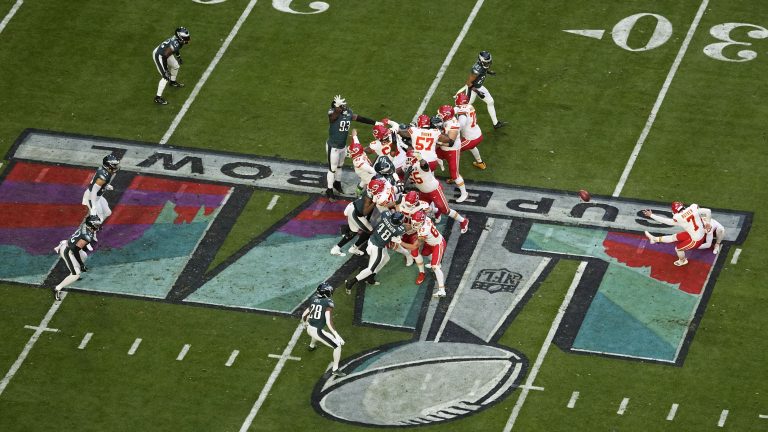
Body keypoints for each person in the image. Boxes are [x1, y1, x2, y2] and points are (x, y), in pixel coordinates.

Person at [405, 149, 469, 233]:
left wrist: (420, 159)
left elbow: (425, 166)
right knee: (421, 209)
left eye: (410, 158)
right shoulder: (406, 167)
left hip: (434, 190)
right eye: (408, 158)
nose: (408, 160)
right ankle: (437, 213)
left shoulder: (421, 164)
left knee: (446, 211)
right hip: (423, 192)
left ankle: (463, 221)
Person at [325, 95, 376, 201]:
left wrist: (375, 122)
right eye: (341, 105)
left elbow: (359, 118)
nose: (344, 106)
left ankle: (337, 184)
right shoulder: (332, 113)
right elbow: (332, 118)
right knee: (332, 169)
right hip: (333, 146)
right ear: (336, 106)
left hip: (343, 146)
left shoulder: (348, 112)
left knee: (340, 166)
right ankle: (329, 190)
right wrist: (337, 109)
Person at [345, 211, 408, 294]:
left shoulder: (386, 215)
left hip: (372, 239)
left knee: (386, 258)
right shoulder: (399, 229)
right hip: (377, 247)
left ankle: (370, 278)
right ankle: (351, 282)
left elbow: (383, 215)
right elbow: (402, 231)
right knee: (370, 269)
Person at [643, 201, 713, 266]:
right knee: (674, 237)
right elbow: (708, 211)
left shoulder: (678, 217)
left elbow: (666, 221)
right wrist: (708, 223)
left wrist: (651, 215)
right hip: (696, 233)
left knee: (678, 248)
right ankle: (654, 239)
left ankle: (682, 261)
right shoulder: (693, 207)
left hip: (697, 239)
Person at [301, 282, 346, 377]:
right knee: (337, 346)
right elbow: (329, 322)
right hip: (317, 331)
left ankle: (312, 346)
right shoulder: (328, 303)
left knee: (316, 334)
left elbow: (304, 314)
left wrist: (304, 323)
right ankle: (335, 369)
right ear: (325, 293)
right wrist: (337, 336)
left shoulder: (313, 299)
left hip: (309, 328)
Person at [53, 215, 101, 301]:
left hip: (71, 246)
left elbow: (78, 244)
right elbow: (75, 251)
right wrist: (82, 265)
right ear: (91, 225)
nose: (98, 225)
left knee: (84, 256)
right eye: (96, 224)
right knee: (76, 274)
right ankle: (57, 288)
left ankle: (74, 270)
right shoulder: (87, 236)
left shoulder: (85, 227)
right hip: (68, 251)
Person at [456, 50, 507, 129]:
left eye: (489, 62)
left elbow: (484, 69)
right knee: (464, 107)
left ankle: (495, 123)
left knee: (490, 102)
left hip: (479, 87)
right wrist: (478, 92)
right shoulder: (476, 70)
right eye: (486, 62)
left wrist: (489, 72)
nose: (488, 64)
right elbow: (469, 83)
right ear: (481, 61)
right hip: (472, 89)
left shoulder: (484, 65)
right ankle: (454, 124)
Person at [407, 210, 448, 297]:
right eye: (414, 222)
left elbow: (415, 246)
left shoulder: (423, 231)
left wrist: (400, 242)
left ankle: (442, 290)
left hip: (438, 244)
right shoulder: (427, 219)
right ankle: (435, 261)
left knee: (435, 267)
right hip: (430, 242)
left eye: (416, 223)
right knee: (425, 253)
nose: (414, 224)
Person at [435, 104, 468, 202]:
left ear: (446, 115)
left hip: (451, 149)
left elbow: (449, 142)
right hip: (442, 147)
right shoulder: (446, 119)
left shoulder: (454, 125)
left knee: (454, 174)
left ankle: (464, 193)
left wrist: (436, 142)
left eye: (441, 114)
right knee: (429, 159)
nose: (439, 116)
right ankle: (433, 182)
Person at [152, 27, 190, 105]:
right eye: (185, 38)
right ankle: (157, 98)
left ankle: (172, 82)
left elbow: (176, 49)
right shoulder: (175, 44)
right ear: (180, 37)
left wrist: (178, 57)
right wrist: (165, 70)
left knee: (176, 66)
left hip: (165, 53)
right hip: (160, 55)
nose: (187, 39)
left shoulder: (177, 41)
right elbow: (165, 56)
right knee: (166, 77)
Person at [82, 154, 120, 226]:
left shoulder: (105, 171)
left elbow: (95, 183)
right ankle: (86, 230)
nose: (116, 166)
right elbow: (94, 191)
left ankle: (92, 226)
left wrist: (105, 185)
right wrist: (93, 207)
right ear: (108, 165)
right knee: (97, 220)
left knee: (107, 213)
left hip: (97, 197)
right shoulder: (103, 176)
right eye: (114, 165)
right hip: (92, 197)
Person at [454, 92, 486, 170]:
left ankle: (455, 176)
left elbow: (461, 124)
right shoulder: (470, 106)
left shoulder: (462, 112)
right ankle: (480, 163)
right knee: (472, 147)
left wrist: (451, 130)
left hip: (470, 139)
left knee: (452, 152)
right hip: (478, 134)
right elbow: (455, 110)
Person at [347, 130, 376, 196]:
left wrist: (354, 135)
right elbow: (370, 170)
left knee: (364, 179)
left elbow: (356, 141)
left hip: (364, 169)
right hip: (363, 170)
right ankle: (368, 195)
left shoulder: (357, 151)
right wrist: (379, 174)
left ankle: (358, 190)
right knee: (369, 181)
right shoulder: (358, 161)